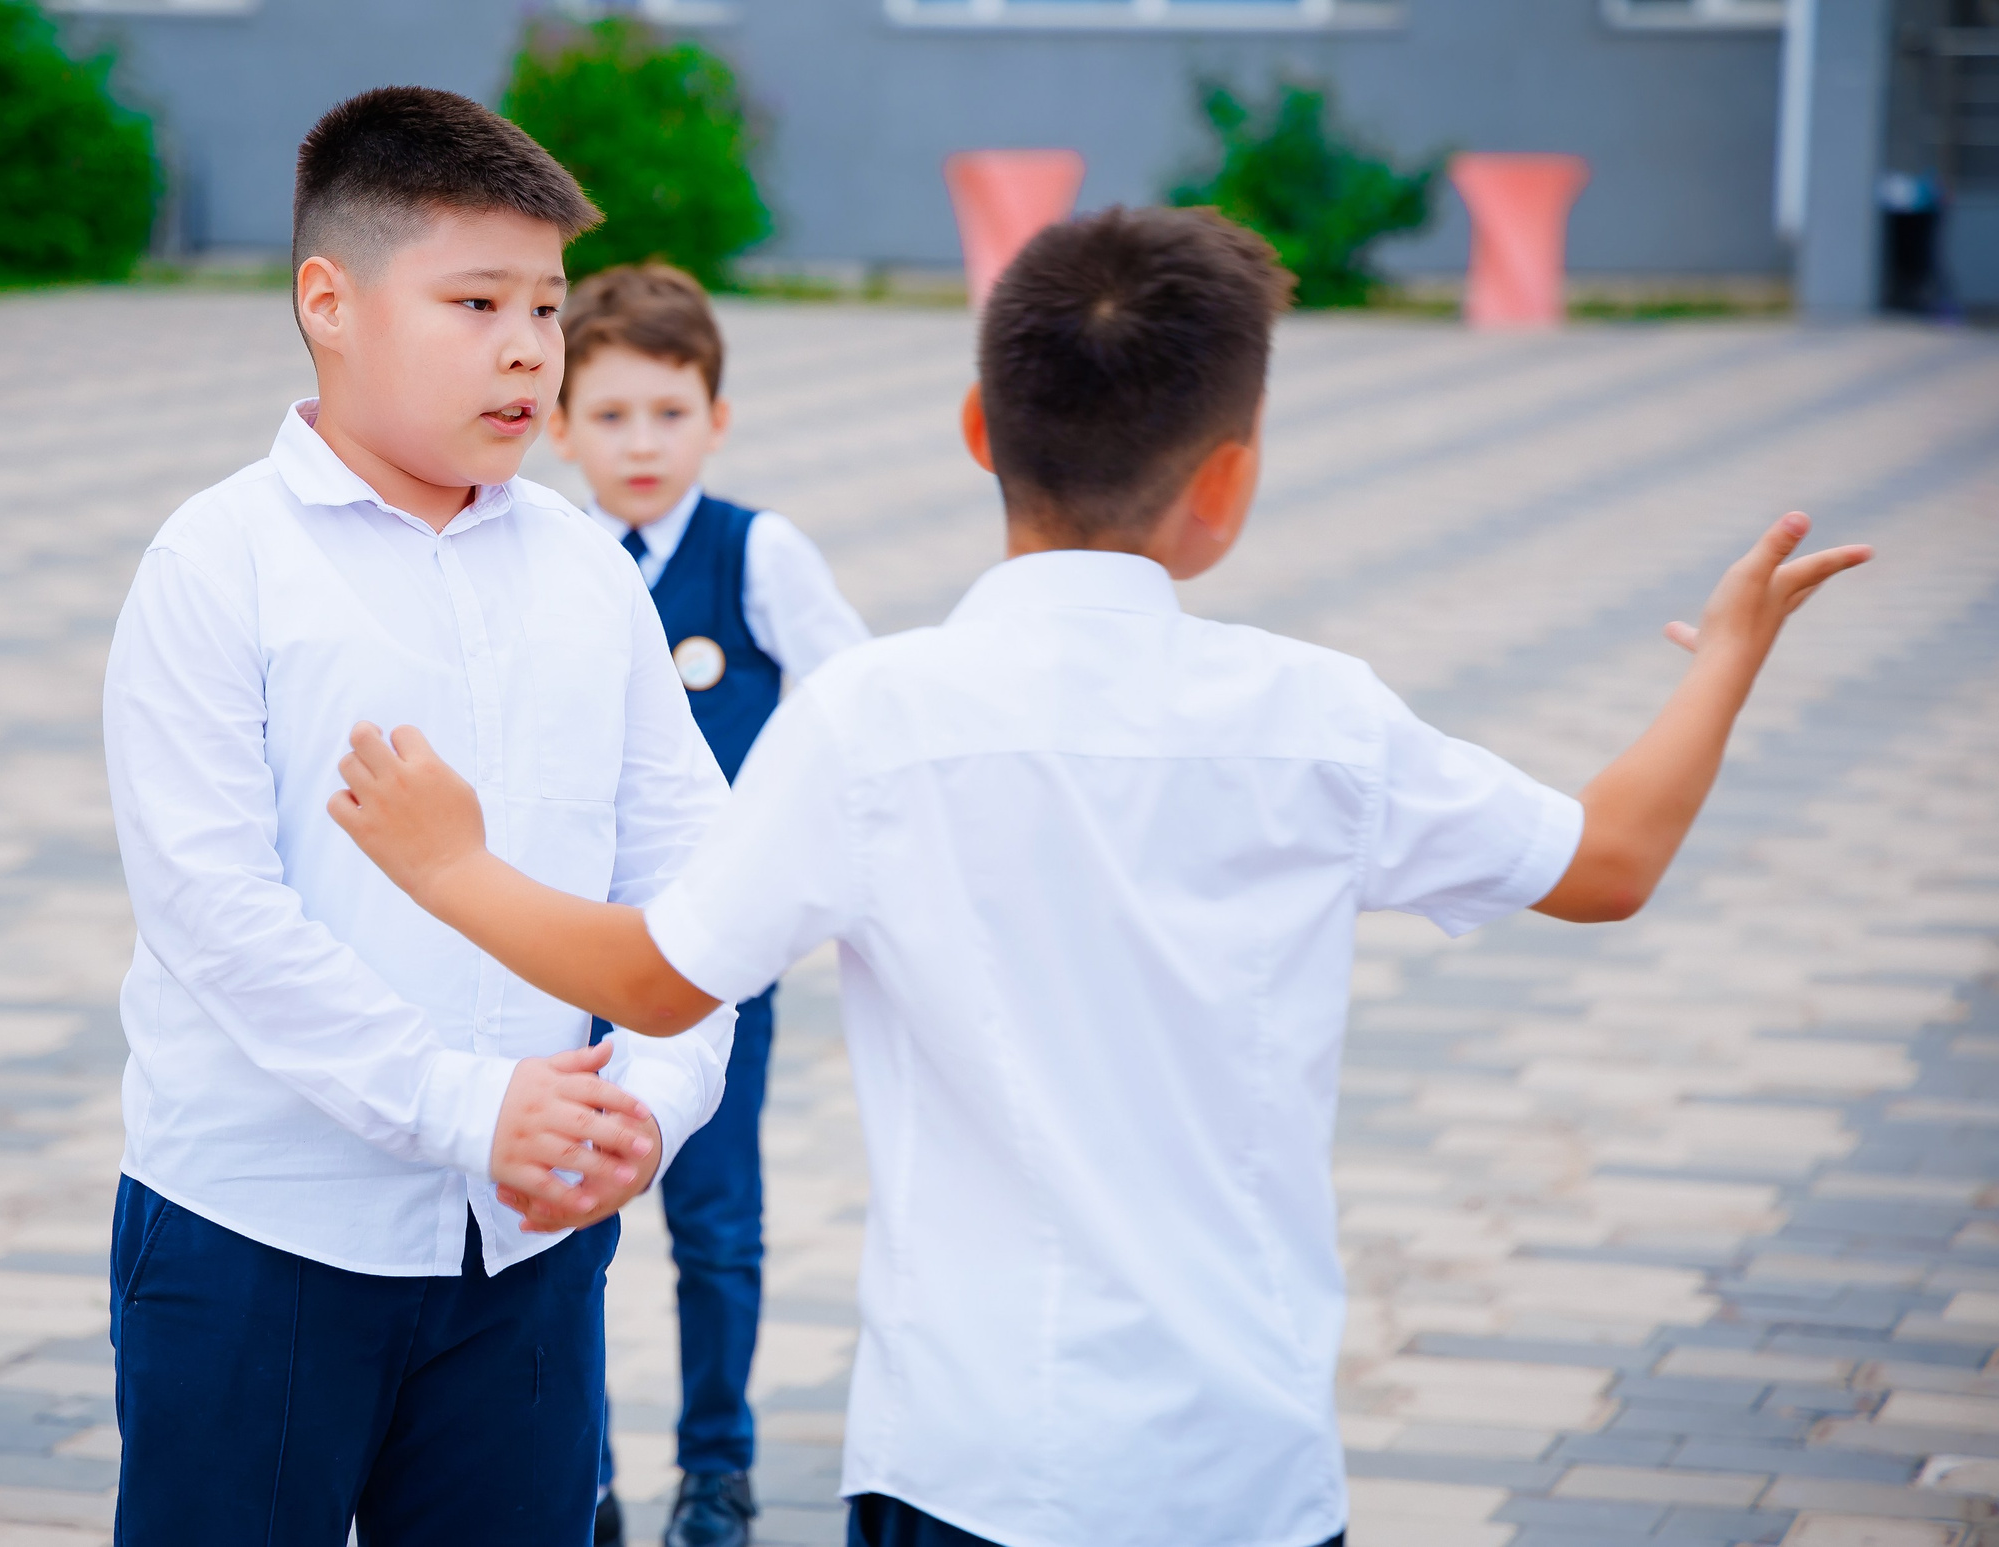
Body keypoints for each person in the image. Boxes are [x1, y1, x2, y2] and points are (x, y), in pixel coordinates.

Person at [322, 205, 1874, 1547]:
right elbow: (1608, 860)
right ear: (1230, 480)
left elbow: (658, 974)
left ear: (981, 429)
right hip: (1245, 1466)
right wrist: (1724, 663)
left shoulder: (880, 718)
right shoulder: (1317, 716)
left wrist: (451, 865)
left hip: (969, 1450)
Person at [99, 86, 740, 1547]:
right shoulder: (221, 564)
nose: (528, 348)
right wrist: (469, 1105)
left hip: (528, 1247)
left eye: (548, 307)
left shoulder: (586, 570)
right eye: (475, 301)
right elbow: (215, 915)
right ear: (330, 300)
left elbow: (699, 875)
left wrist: (649, 1100)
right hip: (262, 1235)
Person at [548, 264, 871, 1547]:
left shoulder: (758, 552)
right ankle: (578, 1474)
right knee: (558, 1222)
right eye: (611, 415)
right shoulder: (552, 551)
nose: (641, 444)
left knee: (715, 1220)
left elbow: (850, 700)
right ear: (560, 422)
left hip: (718, 954)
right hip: (566, 945)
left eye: (669, 414)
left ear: (716, 418)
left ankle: (717, 1472)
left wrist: (772, 836)